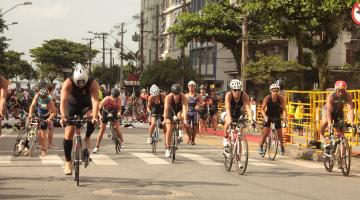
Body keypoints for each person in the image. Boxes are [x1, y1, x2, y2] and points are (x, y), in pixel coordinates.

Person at [60, 64, 100, 175]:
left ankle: (87, 137)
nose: (81, 87)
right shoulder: (68, 83)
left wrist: (95, 116)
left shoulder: (93, 83)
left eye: (83, 85)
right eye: (78, 85)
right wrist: (63, 117)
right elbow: (63, 101)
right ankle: (68, 162)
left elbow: (95, 101)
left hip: (86, 106)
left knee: (92, 116)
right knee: (68, 134)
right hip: (72, 106)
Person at [319, 81, 354, 145]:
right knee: (326, 122)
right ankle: (321, 133)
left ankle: (340, 147)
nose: (341, 92)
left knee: (341, 129)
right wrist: (329, 123)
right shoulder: (330, 96)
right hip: (328, 110)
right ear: (336, 89)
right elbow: (329, 111)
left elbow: (350, 109)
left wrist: (352, 122)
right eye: (339, 90)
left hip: (339, 112)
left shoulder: (347, 96)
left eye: (343, 90)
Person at [223, 79, 253, 150]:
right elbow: (227, 108)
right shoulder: (228, 95)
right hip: (228, 113)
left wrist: (251, 119)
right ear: (231, 90)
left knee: (239, 136)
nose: (237, 92)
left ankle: (238, 157)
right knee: (227, 123)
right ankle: (225, 141)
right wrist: (229, 118)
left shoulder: (244, 95)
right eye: (235, 90)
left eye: (239, 90)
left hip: (239, 115)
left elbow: (248, 108)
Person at [259, 83, 288, 156]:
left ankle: (282, 147)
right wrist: (265, 116)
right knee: (265, 134)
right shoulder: (268, 98)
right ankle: (261, 146)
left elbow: (284, 110)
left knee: (280, 133)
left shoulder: (281, 98)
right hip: (268, 116)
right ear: (271, 91)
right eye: (273, 91)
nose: (275, 93)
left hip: (277, 116)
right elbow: (262, 109)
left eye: (276, 91)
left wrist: (284, 119)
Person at [93, 88, 124, 153]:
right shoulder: (106, 99)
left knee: (117, 128)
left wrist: (119, 113)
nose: (115, 99)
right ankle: (97, 146)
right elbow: (98, 109)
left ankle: (122, 142)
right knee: (102, 130)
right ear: (111, 95)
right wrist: (100, 116)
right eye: (114, 97)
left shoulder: (118, 99)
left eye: (116, 97)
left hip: (114, 112)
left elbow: (119, 109)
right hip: (106, 112)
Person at [28, 88, 57, 156]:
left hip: (45, 116)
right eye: (42, 97)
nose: (43, 98)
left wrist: (49, 118)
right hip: (38, 114)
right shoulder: (37, 96)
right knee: (38, 133)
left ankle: (44, 150)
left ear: (47, 96)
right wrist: (30, 114)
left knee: (43, 134)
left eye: (44, 97)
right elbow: (32, 105)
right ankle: (40, 144)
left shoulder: (50, 101)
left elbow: (54, 112)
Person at [163, 83, 188, 158]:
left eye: (178, 94)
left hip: (178, 111)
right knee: (169, 129)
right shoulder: (168, 97)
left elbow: (185, 109)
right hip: (170, 112)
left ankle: (180, 131)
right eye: (175, 94)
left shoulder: (183, 97)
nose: (176, 96)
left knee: (181, 115)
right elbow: (166, 109)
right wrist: (164, 120)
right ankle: (167, 148)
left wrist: (185, 120)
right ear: (172, 93)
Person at [185, 81, 200, 145]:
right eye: (190, 85)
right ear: (188, 87)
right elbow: (183, 104)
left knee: (195, 127)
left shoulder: (198, 95)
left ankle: (193, 139)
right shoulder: (186, 95)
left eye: (193, 86)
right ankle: (189, 137)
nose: (191, 87)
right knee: (187, 126)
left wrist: (198, 105)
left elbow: (202, 103)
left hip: (195, 112)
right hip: (188, 112)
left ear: (195, 87)